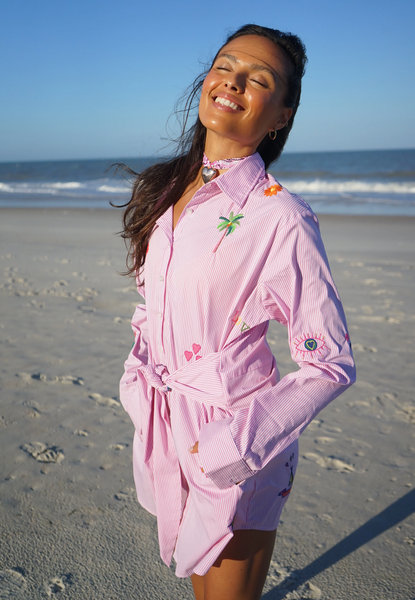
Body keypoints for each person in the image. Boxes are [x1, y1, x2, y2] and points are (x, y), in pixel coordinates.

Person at [118, 24, 356, 600]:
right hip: (169, 422)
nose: (233, 82)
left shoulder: (282, 219)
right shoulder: (169, 192)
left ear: (280, 116)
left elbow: (331, 363)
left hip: (236, 440)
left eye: (260, 79)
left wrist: (231, 447)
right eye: (225, 66)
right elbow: (158, 305)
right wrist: (138, 377)